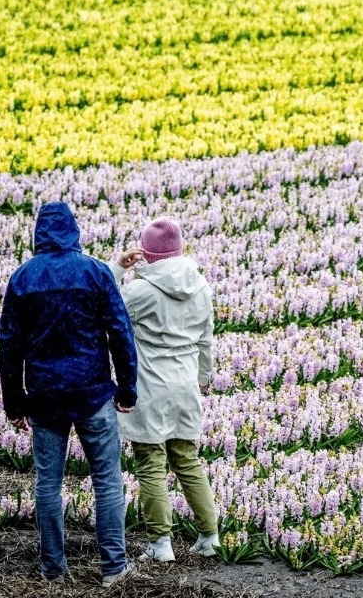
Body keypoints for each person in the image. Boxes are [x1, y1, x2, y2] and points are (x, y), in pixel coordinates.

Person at [0, 201, 138, 587]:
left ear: (38, 233)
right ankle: (114, 568)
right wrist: (128, 389)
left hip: (44, 395)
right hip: (92, 392)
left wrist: (14, 403)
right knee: (107, 480)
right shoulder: (93, 271)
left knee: (48, 484)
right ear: (74, 230)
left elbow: (8, 345)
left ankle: (53, 570)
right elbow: (120, 333)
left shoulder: (23, 278)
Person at [110, 216, 219, 562]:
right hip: (186, 383)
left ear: (146, 253)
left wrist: (116, 269)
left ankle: (161, 544)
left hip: (151, 385)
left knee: (150, 463)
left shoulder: (140, 290)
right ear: (180, 249)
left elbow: (108, 310)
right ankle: (209, 536)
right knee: (188, 460)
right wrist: (204, 377)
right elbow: (206, 339)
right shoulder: (200, 286)